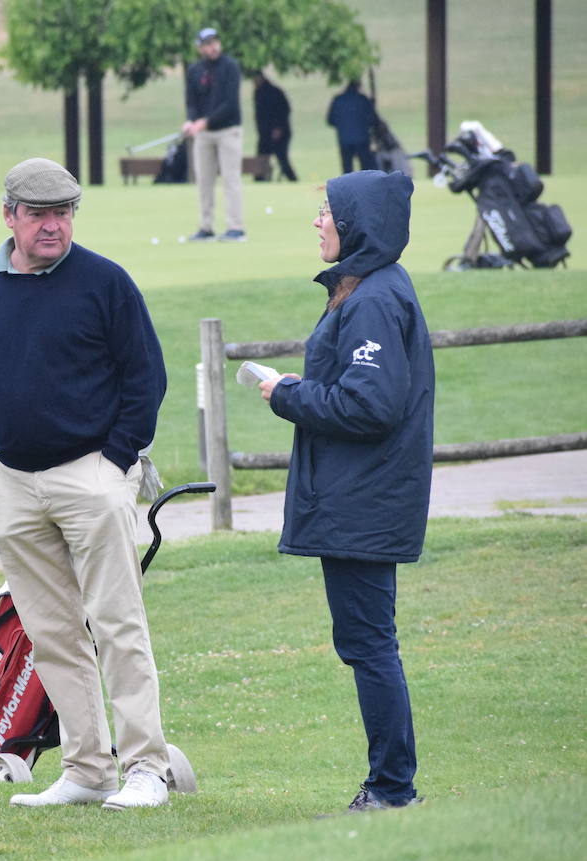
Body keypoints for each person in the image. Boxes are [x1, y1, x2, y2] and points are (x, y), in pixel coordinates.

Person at [0, 158, 171, 811]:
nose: (54, 225)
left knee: (116, 622)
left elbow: (144, 380)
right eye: (40, 213)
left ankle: (146, 768)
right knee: (51, 632)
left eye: (64, 212)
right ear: (10, 215)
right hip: (15, 479)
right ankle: (87, 769)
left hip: (91, 474)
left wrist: (115, 463)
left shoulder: (105, 282)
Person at [257, 170, 433, 812]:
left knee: (368, 643)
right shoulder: (368, 289)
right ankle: (392, 784)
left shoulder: (374, 300)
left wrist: (287, 395)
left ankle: (392, 788)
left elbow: (370, 404)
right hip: (362, 500)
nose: (318, 222)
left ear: (357, 222)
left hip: (365, 503)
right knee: (367, 641)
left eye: (327, 211)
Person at [182, 27, 246, 242]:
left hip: (228, 130)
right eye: (208, 44)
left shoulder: (230, 67)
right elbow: (191, 102)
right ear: (200, 47)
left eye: (215, 42)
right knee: (204, 181)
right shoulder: (195, 71)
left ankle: (235, 227)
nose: (213, 47)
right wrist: (191, 121)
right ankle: (206, 227)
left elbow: (229, 104)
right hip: (204, 134)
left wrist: (205, 122)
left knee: (231, 179)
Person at [252, 72, 297, 182]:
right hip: (264, 132)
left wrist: (278, 128)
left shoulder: (274, 92)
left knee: (282, 158)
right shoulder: (258, 93)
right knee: (261, 157)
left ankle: (292, 179)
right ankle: (260, 180)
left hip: (279, 132)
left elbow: (283, 111)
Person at [327, 81, 378, 173]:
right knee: (366, 168)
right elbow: (373, 120)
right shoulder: (363, 99)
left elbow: (330, 120)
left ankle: (348, 186)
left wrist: (342, 126)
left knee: (347, 168)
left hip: (344, 139)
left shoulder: (338, 100)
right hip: (362, 138)